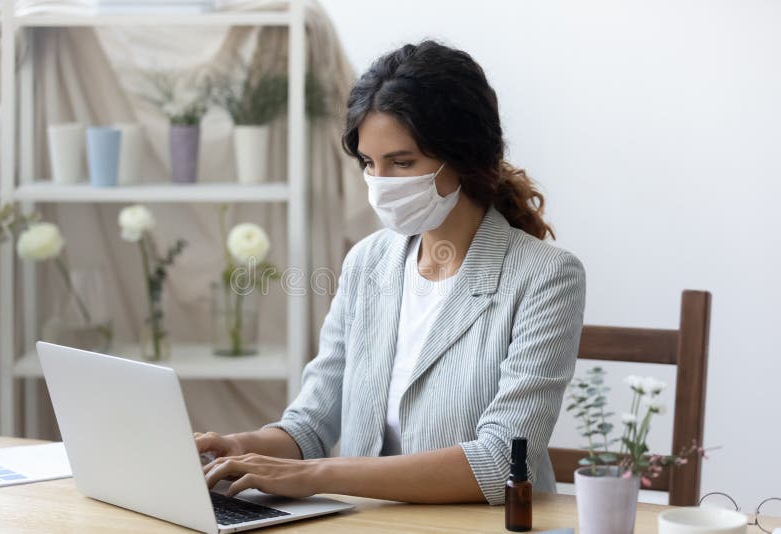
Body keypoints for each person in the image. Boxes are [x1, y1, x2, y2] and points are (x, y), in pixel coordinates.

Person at [196, 40, 586, 506]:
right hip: (370, 522)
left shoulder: (547, 277)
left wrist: (313, 475)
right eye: (369, 164)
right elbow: (312, 422)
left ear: (464, 156)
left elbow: (501, 460)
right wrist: (241, 447)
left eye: (402, 163)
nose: (381, 183)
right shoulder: (367, 262)